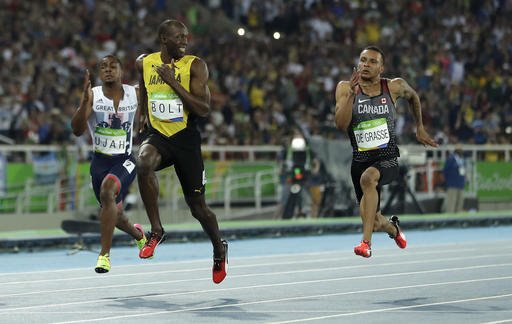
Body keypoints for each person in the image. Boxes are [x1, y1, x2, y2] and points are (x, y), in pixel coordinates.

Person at [135, 19, 228, 284]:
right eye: (179, 38)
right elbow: (143, 86)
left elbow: (202, 109)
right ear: (164, 39)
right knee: (143, 163)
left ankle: (219, 249)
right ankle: (156, 230)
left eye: (187, 37)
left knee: (198, 209)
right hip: (158, 135)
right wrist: (142, 113)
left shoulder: (195, 66)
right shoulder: (144, 62)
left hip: (186, 139)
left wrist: (173, 82)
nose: (185, 42)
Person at [334, 46, 439, 258]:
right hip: (360, 160)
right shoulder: (345, 88)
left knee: (368, 178)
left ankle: (366, 244)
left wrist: (419, 126)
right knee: (373, 221)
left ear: (381, 67)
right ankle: (393, 228)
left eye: (372, 61)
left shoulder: (393, 86)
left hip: (387, 158)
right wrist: (351, 97)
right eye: (363, 60)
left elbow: (414, 97)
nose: (366, 64)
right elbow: (341, 125)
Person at [71, 54, 147, 273]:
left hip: (125, 160)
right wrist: (84, 102)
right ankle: (138, 234)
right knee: (115, 213)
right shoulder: (93, 96)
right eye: (103, 66)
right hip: (100, 162)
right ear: (99, 74)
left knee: (108, 191)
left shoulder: (135, 93)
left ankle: (104, 255)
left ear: (121, 72)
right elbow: (77, 130)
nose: (108, 69)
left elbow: (153, 100)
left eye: (113, 66)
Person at [443, 144, 466, 213]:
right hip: (452, 184)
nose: (461, 151)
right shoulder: (451, 159)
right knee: (451, 203)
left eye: (461, 150)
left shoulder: (462, 160)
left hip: (460, 184)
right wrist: (447, 181)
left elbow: (463, 171)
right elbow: (445, 171)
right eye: (460, 150)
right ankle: (449, 219)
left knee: (460, 203)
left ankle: (458, 219)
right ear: (456, 151)